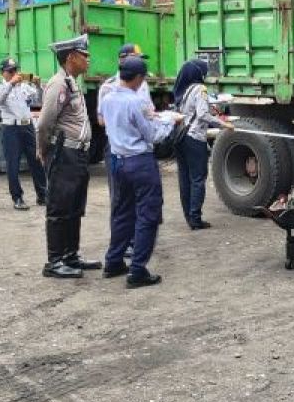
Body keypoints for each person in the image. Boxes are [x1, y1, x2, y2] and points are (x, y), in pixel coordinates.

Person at [101, 56, 181, 288]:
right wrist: (169, 122)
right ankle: (138, 270)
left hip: (117, 161)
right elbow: (152, 136)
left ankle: (114, 261)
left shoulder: (108, 98)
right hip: (140, 162)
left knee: (122, 212)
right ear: (137, 78)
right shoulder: (135, 102)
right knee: (148, 215)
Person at [35, 34, 101, 278]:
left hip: (77, 155)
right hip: (64, 154)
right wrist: (42, 150)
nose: (88, 60)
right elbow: (44, 123)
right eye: (84, 56)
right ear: (71, 57)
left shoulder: (72, 82)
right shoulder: (59, 83)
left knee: (74, 207)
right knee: (59, 208)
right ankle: (54, 261)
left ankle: (70, 256)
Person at [171, 59, 233, 229]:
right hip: (195, 138)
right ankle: (196, 218)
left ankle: (189, 216)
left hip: (181, 138)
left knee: (184, 178)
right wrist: (223, 124)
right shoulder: (200, 89)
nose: (205, 75)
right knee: (198, 178)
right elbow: (203, 115)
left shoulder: (183, 89)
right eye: (204, 72)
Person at [98, 43, 152, 213]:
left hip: (141, 148)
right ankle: (121, 236)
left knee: (141, 198)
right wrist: (126, 121)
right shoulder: (108, 87)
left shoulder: (143, 84)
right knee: (119, 197)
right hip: (118, 148)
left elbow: (150, 110)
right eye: (136, 59)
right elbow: (101, 120)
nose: (140, 64)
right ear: (122, 60)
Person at [0, 57, 47, 211]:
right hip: (11, 129)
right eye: (11, 71)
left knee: (36, 161)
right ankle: (17, 198)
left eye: (16, 70)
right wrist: (10, 84)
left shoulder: (24, 86)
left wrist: (38, 86)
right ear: (3, 73)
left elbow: (39, 99)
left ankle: (42, 195)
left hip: (27, 126)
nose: (15, 73)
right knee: (13, 165)